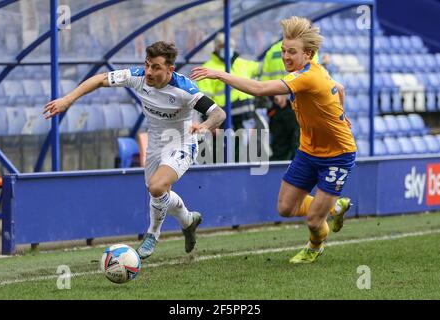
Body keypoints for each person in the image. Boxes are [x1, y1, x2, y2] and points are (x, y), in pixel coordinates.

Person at [191, 16, 356, 264]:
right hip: (309, 151)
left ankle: (315, 246)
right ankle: (334, 207)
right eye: (283, 51)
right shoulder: (311, 72)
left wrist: (219, 74)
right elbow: (339, 88)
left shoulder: (307, 77)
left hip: (337, 155)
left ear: (308, 54)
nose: (286, 57)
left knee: (313, 220)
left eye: (292, 52)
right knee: (286, 208)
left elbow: (258, 89)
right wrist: (343, 114)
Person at [44, 41, 226, 259]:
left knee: (157, 187)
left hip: (182, 143)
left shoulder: (185, 90)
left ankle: (152, 234)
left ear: (170, 69)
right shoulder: (138, 76)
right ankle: (188, 221)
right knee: (158, 191)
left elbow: (219, 114)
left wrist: (204, 126)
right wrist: (67, 100)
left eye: (156, 67)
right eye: (147, 65)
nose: (149, 72)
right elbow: (101, 79)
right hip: (155, 145)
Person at [197, 34, 261, 162]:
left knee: (247, 154)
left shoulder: (241, 63)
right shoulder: (208, 68)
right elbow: (204, 101)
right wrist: (212, 125)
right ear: (216, 48)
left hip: (246, 119)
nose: (227, 49)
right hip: (223, 121)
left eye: (230, 46)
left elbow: (263, 69)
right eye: (222, 46)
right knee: (222, 154)